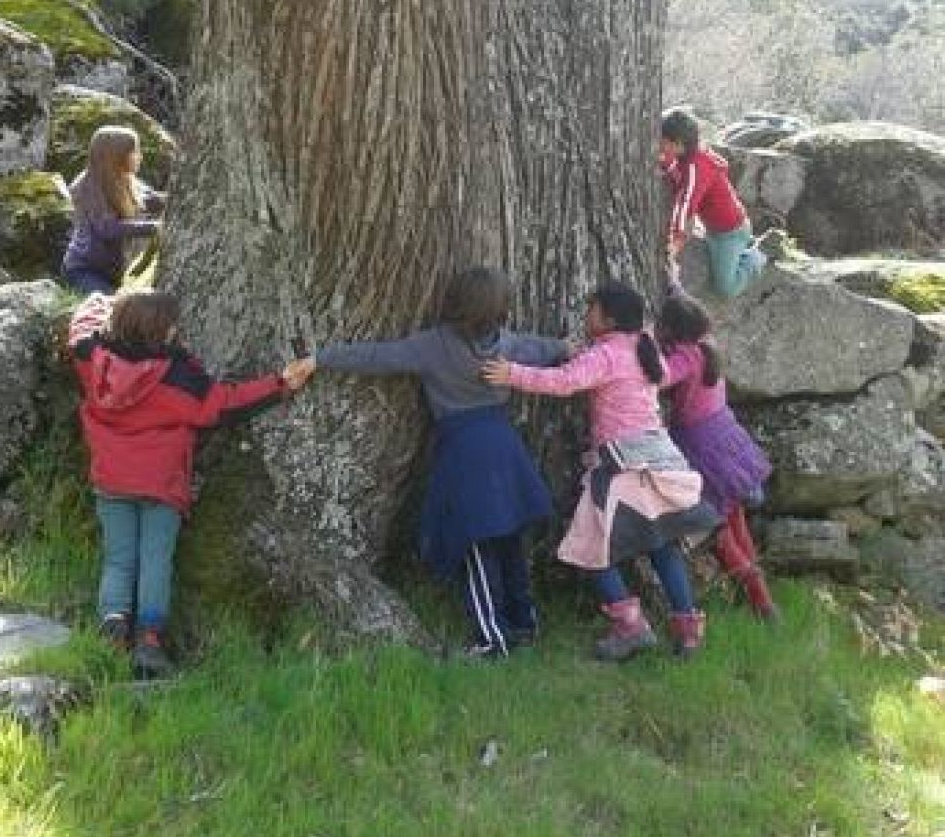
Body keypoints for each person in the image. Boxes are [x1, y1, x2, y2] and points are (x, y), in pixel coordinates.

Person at [308, 266, 569, 659]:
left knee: (475, 542)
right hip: (503, 446)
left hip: (465, 451)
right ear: (500, 308)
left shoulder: (434, 346)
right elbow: (543, 348)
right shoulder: (506, 345)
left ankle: (490, 639)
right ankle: (523, 622)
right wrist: (568, 348)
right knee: (509, 536)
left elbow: (378, 357)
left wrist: (321, 358)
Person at [68, 288, 313, 677]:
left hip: (111, 481)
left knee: (118, 560)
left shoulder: (91, 359)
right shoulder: (180, 378)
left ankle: (112, 633)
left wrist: (99, 300)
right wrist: (280, 384)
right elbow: (227, 403)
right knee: (155, 561)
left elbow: (80, 327)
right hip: (162, 486)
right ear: (163, 332)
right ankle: (150, 642)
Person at [482, 280, 719, 661]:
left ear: (607, 318)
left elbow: (564, 381)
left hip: (621, 465)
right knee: (661, 545)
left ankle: (631, 627)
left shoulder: (606, 354)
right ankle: (688, 630)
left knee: (590, 547)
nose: (585, 315)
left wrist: (512, 373)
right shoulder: (644, 346)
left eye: (591, 309)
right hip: (658, 458)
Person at [657, 291, 777, 619]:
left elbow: (661, 376)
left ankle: (754, 591)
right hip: (725, 436)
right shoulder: (709, 347)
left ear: (669, 330)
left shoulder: (685, 357)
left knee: (717, 526)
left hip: (701, 447)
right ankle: (760, 593)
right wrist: (673, 282)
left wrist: (640, 349)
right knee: (735, 517)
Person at [659, 107, 766, 298]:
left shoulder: (696, 168)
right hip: (712, 229)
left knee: (726, 288)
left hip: (730, 233)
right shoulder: (686, 155)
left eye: (664, 142)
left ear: (679, 144)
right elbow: (669, 165)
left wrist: (674, 244)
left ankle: (756, 257)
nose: (661, 146)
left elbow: (686, 206)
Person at [62, 126, 164, 295]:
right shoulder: (86, 186)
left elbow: (150, 200)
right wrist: (155, 227)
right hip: (84, 270)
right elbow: (107, 229)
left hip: (117, 271)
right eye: (135, 152)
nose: (140, 156)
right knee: (111, 304)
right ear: (117, 156)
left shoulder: (127, 180)